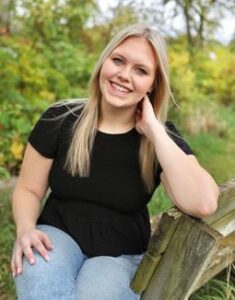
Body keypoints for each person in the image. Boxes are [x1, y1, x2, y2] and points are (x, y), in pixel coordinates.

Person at [11, 23, 219, 300]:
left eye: (141, 70)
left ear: (153, 83)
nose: (124, 75)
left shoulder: (161, 141)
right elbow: (28, 188)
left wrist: (154, 130)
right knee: (40, 280)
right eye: (118, 60)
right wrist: (25, 229)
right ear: (104, 61)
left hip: (120, 255)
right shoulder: (60, 118)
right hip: (58, 235)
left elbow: (203, 202)